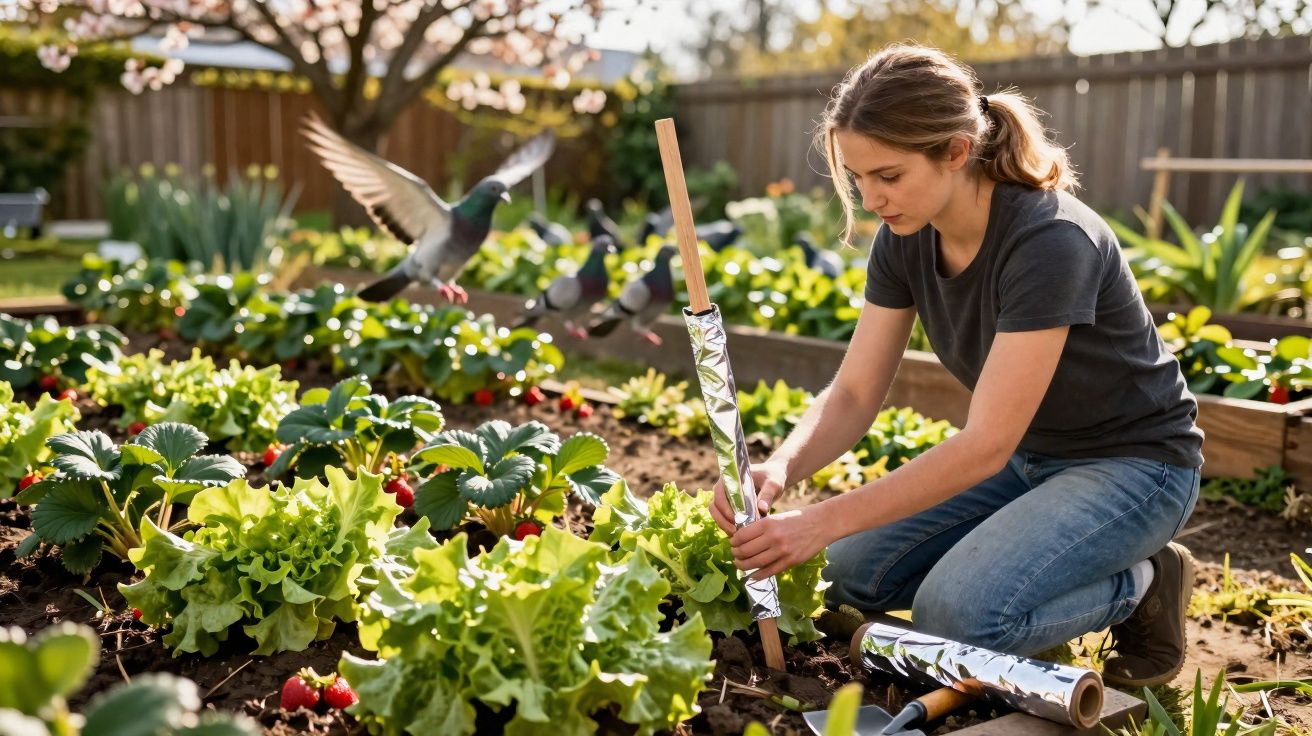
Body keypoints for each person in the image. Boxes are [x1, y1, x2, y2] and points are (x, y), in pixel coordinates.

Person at [710, 43, 1203, 688]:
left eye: (889, 176)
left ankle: (1142, 581)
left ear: (955, 150)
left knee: (955, 617)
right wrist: (779, 467)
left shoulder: (1049, 240)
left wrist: (821, 520)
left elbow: (985, 445)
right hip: (1032, 462)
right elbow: (857, 391)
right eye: (859, 179)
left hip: (1135, 465)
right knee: (846, 574)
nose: (872, 199)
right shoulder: (906, 237)